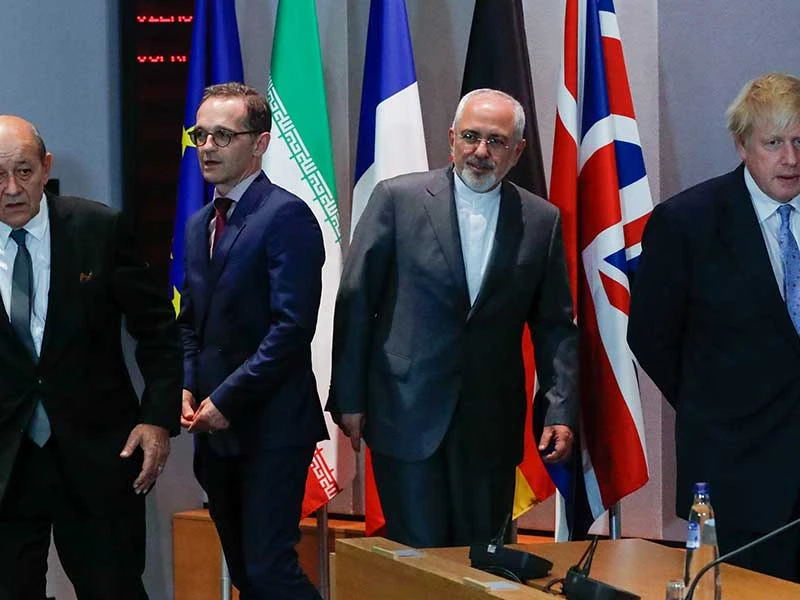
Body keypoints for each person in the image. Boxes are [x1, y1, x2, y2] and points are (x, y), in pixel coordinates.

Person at [328, 88, 578, 548]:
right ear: (451, 139)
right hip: (406, 411)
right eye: (470, 137)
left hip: (490, 424)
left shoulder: (541, 221)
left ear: (518, 150)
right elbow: (357, 301)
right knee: (417, 562)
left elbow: (555, 325)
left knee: (482, 560)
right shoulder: (397, 199)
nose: (480, 151)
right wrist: (349, 398)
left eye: (496, 141)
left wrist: (559, 408)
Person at [0, 115, 182, 599]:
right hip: (7, 466)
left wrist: (157, 419)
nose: (12, 189)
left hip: (97, 454)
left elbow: (159, 332)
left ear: (46, 167)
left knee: (113, 589)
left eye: (24, 171)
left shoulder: (98, 229)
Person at [628, 72, 800, 582]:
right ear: (742, 145)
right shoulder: (687, 222)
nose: (791, 159)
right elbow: (651, 337)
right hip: (734, 474)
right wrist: (716, 403)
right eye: (774, 143)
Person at [178, 82, 326, 599]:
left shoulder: (285, 215)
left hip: (271, 426)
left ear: (260, 143)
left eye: (223, 135)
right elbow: (190, 323)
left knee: (269, 571)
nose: (208, 147)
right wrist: (187, 385)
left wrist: (227, 399)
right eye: (200, 134)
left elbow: (291, 329)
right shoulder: (199, 224)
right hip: (215, 430)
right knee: (245, 574)